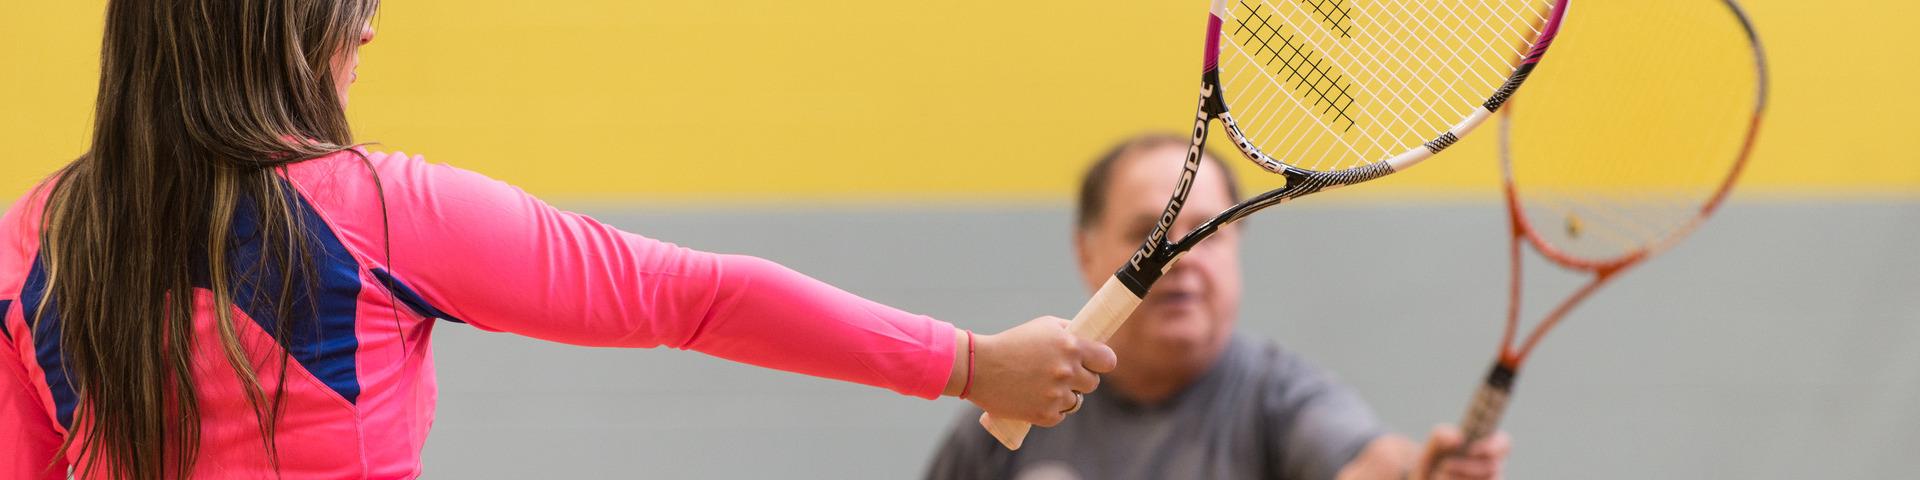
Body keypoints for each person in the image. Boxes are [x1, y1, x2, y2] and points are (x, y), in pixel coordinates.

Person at [0, 1, 1114, 478]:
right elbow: (694, 296)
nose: (374, 25)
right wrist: (967, 361)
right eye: (351, 2)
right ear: (276, 28)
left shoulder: (34, 235)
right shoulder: (382, 210)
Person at [924, 133, 1512, 480]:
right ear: (1085, 253)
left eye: (1209, 233)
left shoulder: (1278, 396)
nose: (1181, 258)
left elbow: (1366, 461)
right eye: (1149, 234)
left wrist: (1418, 473)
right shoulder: (1008, 411)